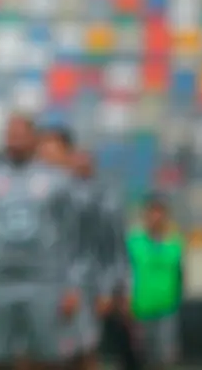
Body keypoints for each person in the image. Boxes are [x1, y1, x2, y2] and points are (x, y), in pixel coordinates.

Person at [0, 114, 83, 370]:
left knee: (47, 357)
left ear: (34, 138)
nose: (15, 141)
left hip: (44, 284)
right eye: (10, 135)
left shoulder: (57, 182)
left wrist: (72, 285)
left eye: (21, 135)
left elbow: (71, 240)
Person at [39, 131, 116, 370]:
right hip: (41, 287)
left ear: (67, 154)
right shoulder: (32, 193)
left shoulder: (87, 197)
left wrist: (105, 289)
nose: (47, 158)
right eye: (43, 152)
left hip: (80, 287)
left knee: (82, 352)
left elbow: (104, 246)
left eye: (53, 151)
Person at [128, 194, 184, 370]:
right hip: (140, 311)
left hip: (167, 310)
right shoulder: (133, 242)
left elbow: (180, 274)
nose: (156, 217)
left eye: (160, 212)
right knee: (140, 359)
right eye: (152, 212)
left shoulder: (175, 242)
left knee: (165, 359)